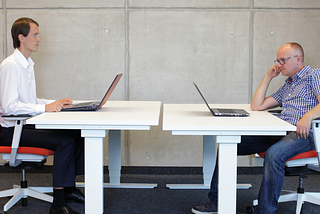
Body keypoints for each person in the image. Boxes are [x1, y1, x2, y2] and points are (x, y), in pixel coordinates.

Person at [192, 42, 320, 214]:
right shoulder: (288, 85)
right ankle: (217, 202)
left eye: (282, 60)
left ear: (298, 59)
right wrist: (268, 76)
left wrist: (308, 116)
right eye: (277, 60)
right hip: (281, 132)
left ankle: (265, 211)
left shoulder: (314, 75)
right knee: (229, 144)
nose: (278, 65)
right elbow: (257, 105)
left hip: (305, 135)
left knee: (275, 154)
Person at [0, 17, 85, 214]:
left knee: (75, 133)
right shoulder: (11, 66)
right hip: (11, 130)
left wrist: (53, 103)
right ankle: (57, 204)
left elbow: (31, 100)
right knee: (64, 142)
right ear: (21, 37)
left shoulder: (27, 65)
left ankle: (69, 189)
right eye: (35, 35)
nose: (39, 39)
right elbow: (10, 107)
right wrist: (45, 109)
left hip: (24, 124)